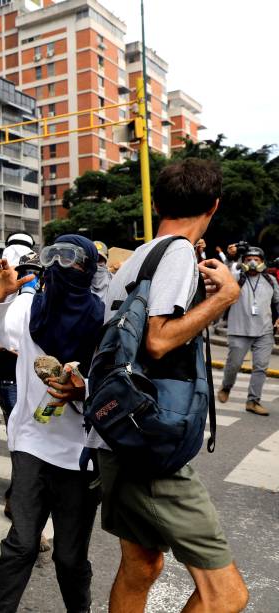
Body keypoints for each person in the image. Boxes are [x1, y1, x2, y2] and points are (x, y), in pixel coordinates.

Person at [97, 159, 248, 613]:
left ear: (158, 203)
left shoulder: (136, 258)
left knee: (141, 566)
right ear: (214, 206)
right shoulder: (178, 254)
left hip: (116, 431)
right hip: (149, 440)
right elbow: (159, 340)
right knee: (226, 595)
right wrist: (224, 297)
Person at [0, 235, 104, 612]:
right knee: (21, 544)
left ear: (90, 270)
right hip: (31, 442)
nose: (64, 267)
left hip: (81, 454)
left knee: (69, 558)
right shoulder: (31, 307)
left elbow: (114, 380)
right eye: (57, 258)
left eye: (75, 261)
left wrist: (85, 391)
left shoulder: (104, 317)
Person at [217, 245, 279, 416]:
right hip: (239, 329)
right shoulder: (236, 277)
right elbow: (227, 271)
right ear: (243, 262)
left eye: (256, 260)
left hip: (264, 331)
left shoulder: (270, 280)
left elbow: (277, 301)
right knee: (234, 365)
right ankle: (226, 386)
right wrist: (231, 257)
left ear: (262, 262)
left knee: (261, 366)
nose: (252, 262)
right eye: (248, 259)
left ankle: (253, 401)